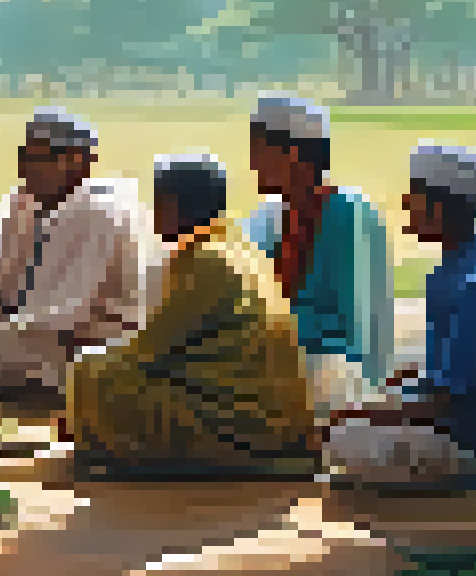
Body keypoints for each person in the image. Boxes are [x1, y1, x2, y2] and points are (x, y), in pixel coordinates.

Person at [65, 154, 316, 475]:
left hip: (249, 427)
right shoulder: (234, 248)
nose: (153, 217)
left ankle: (114, 454)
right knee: (102, 371)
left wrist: (86, 377)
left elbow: (147, 353)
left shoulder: (207, 261)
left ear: (172, 207)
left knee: (94, 376)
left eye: (157, 206)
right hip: (268, 419)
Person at [0, 108, 154, 397]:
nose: (27, 169)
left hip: (78, 347)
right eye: (25, 157)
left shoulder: (101, 213)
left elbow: (57, 320)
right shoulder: (25, 202)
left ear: (80, 163)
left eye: (41, 159)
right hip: (25, 334)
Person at [326, 145, 476, 481]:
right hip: (458, 421)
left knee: (345, 437)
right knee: (357, 400)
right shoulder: (471, 257)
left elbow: (444, 402)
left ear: (439, 209)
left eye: (415, 196)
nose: (407, 204)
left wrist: (360, 412)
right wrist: (404, 381)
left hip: (475, 444)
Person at [243, 94, 394, 410]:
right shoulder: (268, 217)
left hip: (339, 373)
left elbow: (351, 326)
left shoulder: (348, 214)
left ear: (295, 155)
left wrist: (266, 328)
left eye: (260, 151)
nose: (253, 163)